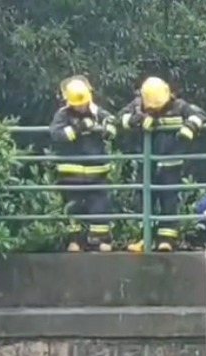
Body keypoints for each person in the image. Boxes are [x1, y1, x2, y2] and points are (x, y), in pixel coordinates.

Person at [118, 77, 206, 252]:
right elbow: (120, 118)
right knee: (143, 201)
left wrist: (189, 127)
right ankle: (146, 238)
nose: (155, 109)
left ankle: (166, 240)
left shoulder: (179, 106)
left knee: (169, 202)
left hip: (171, 164)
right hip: (147, 164)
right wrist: (138, 119)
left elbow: (199, 115)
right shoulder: (137, 105)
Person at [48, 76, 117, 252]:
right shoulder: (63, 115)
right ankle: (74, 242)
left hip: (97, 173)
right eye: (77, 103)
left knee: (100, 207)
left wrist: (107, 129)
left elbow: (112, 123)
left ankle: (101, 241)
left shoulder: (96, 111)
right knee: (73, 208)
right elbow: (57, 135)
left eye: (84, 102)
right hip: (71, 174)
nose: (81, 106)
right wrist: (78, 129)